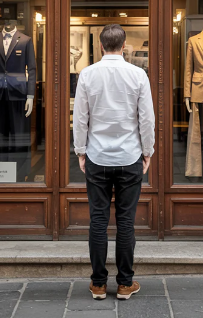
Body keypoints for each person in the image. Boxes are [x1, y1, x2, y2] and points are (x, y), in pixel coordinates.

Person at [72, 24, 155, 301]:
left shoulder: (87, 74)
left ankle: (97, 284)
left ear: (100, 44)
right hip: (130, 156)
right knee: (126, 222)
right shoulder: (138, 75)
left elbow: (80, 117)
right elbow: (146, 119)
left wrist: (81, 151)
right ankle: (124, 283)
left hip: (97, 156)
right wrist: (147, 151)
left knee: (97, 221)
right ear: (124, 45)